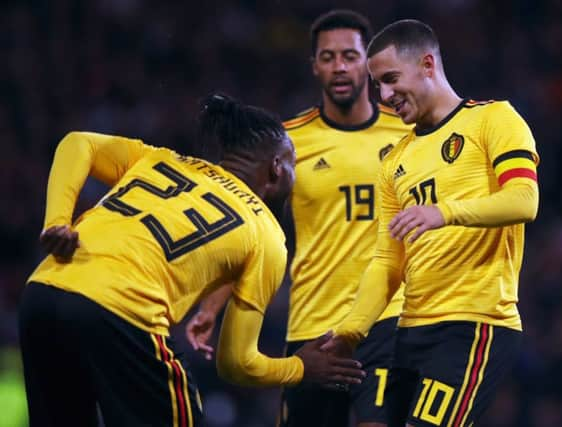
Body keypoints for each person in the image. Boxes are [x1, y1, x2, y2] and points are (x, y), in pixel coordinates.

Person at [18, 94, 365, 427]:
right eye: (294, 165)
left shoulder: (163, 160)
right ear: (276, 168)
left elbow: (79, 143)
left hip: (43, 293)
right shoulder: (268, 235)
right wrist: (301, 368)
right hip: (122, 314)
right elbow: (237, 364)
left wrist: (57, 222)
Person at [185, 10, 411, 427]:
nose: (339, 66)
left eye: (349, 55)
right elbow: (248, 229)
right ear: (314, 66)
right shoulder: (286, 144)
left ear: (369, 62)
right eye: (328, 57)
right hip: (312, 323)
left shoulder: (409, 132)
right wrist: (211, 307)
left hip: (388, 319)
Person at [323, 19, 540, 427]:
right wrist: (351, 330)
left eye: (390, 79)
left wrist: (444, 211)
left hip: (473, 324)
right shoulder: (395, 162)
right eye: (377, 86)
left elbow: (525, 201)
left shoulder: (494, 120)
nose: (384, 96)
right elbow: (388, 261)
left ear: (426, 64)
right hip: (409, 333)